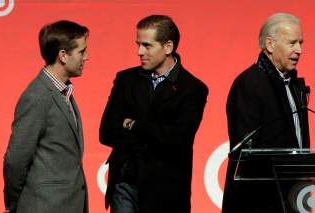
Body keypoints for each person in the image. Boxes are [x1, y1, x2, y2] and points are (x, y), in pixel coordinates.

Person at [99, 15, 208, 213]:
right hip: (125, 183)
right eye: (138, 44)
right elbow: (106, 131)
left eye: (147, 46)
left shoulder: (193, 88)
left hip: (166, 192)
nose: (139, 52)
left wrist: (133, 125)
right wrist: (154, 137)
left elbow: (178, 140)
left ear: (168, 47)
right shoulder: (126, 79)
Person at [222, 13, 310, 213]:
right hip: (258, 199)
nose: (299, 50)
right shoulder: (249, 83)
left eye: (301, 43)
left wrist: (304, 171)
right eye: (292, 43)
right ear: (270, 45)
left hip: (293, 195)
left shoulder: (294, 85)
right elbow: (248, 149)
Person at [3, 20, 89, 213]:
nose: (87, 57)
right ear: (63, 56)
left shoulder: (62, 92)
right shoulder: (37, 96)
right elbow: (16, 159)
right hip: (44, 206)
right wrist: (15, 203)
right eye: (82, 51)